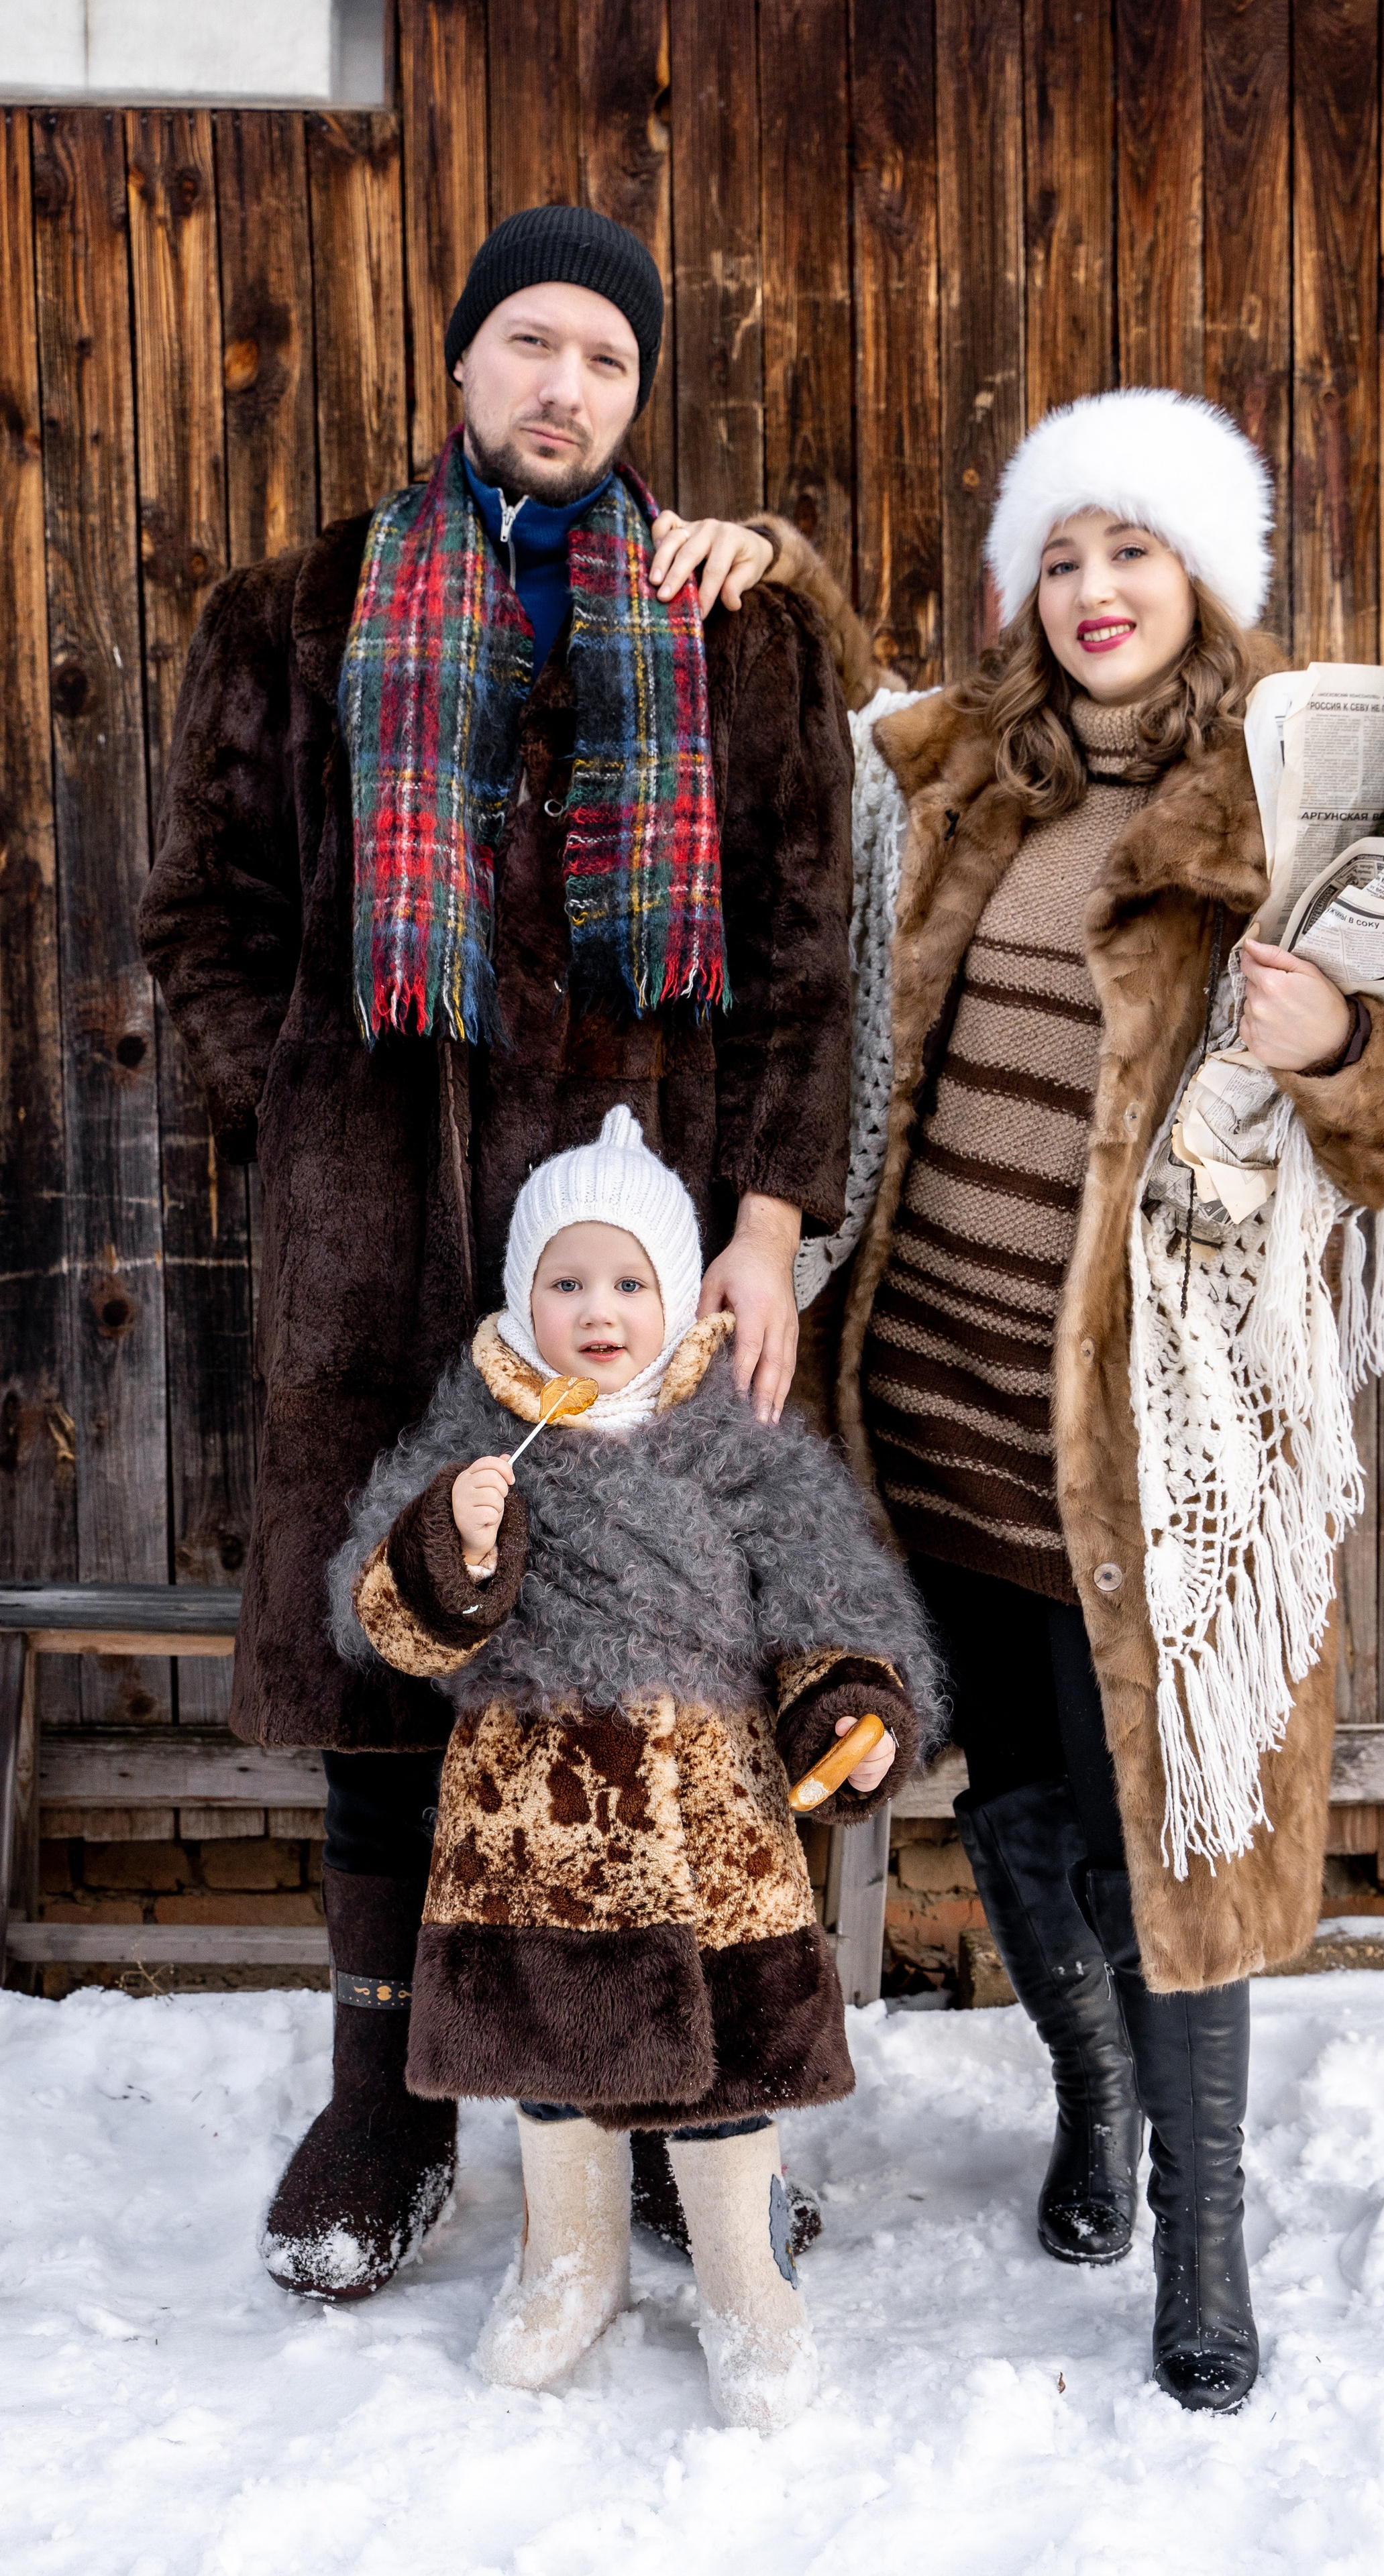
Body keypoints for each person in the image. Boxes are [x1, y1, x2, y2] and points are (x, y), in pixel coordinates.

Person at [139, 205, 868, 2302]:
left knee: (675, 1673)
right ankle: (388, 2099)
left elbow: (811, 962)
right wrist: (299, 1123)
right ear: (461, 366)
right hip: (388, 1247)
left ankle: (678, 2092)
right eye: (530, 345)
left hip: (654, 1252)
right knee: (398, 1651)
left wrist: (767, 1234)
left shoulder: (728, 625)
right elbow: (205, 919)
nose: (566, 386)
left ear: (643, 395)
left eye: (608, 361)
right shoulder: (299, 615)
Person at [832, 389, 1384, 2412]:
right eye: (1063, 551)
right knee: (1018, 1803)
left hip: (1165, 1435)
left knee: (1178, 1833)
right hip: (944, 1395)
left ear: (1205, 574)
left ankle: (1204, 2243)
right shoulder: (973, 782)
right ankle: (1087, 2099)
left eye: (1137, 548)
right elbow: (837, 694)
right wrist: (771, 555)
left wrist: (1337, 1041)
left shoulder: (1295, 818)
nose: (1098, 587)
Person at [327, 1106, 936, 2430]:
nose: (596, 1311)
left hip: (707, 1821)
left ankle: (744, 2278)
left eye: (626, 1281)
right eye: (564, 1282)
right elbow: (383, 1612)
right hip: (536, 1819)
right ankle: (566, 2262)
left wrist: (851, 1697)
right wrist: (453, 1543)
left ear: (673, 1295)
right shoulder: (473, 1436)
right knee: (556, 2064)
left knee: (730, 2078)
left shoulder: (733, 1445)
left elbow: (826, 1594)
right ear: (520, 1295)